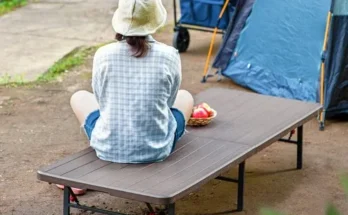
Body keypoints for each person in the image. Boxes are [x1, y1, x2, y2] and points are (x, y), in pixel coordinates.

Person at [57, 0, 194, 195]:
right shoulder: (169, 55)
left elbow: (102, 99)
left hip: (107, 147)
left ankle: (112, 144)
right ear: (154, 20)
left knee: (79, 97)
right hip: (157, 149)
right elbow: (169, 104)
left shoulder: (103, 54)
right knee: (185, 96)